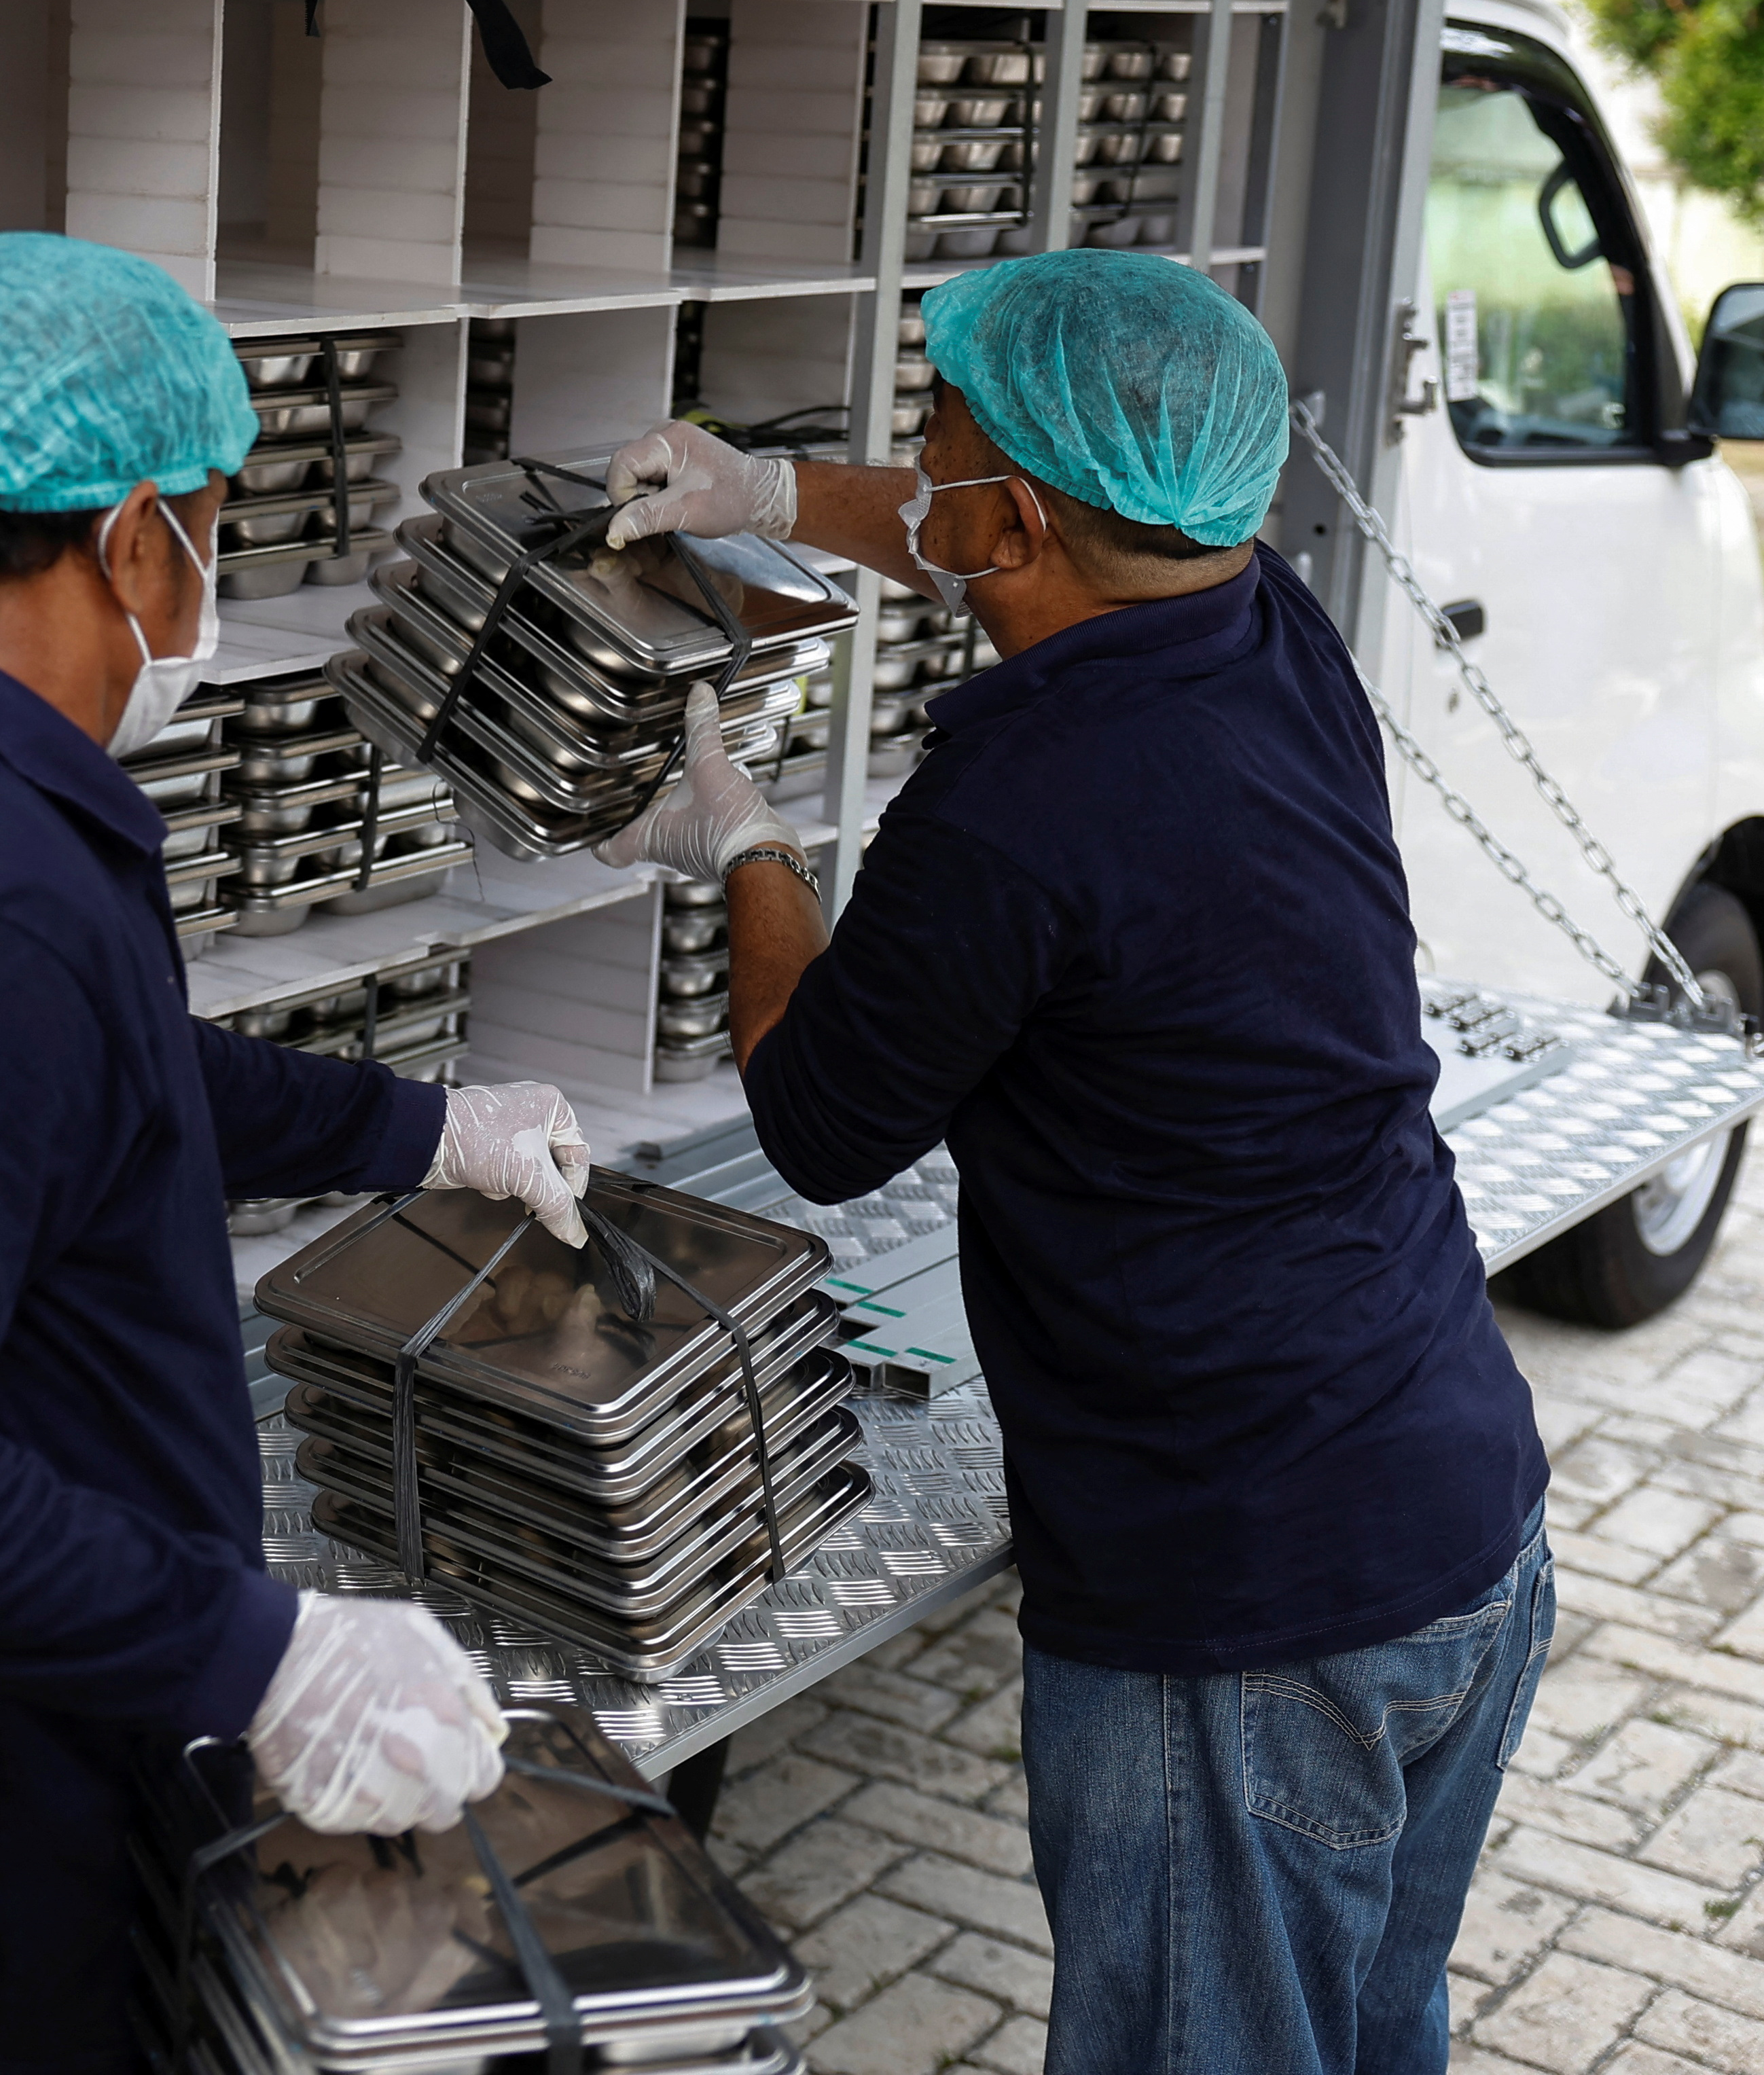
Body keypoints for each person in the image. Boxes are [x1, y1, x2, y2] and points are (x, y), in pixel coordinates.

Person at [0, 232, 597, 2075]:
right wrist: (262, 1654)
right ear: (131, 538)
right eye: (210, 526)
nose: (206, 578)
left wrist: (424, 1126)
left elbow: (106, 1085)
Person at [598, 251, 1553, 2075]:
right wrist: (771, 495)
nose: (917, 465)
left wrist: (748, 848)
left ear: (1016, 510)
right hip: (1457, 1515)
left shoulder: (1019, 806)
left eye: (932, 439)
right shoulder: (1264, 625)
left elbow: (814, 1114)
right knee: (1361, 2035)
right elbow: (1018, 529)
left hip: (1246, 1616)